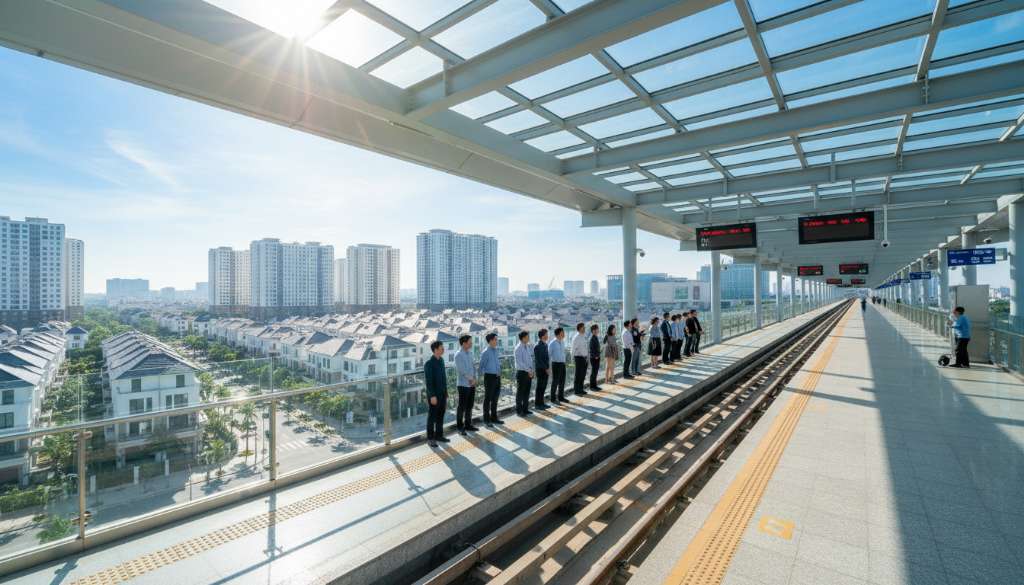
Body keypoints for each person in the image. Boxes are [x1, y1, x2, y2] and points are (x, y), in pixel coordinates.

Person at [424, 341, 449, 447]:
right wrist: (432, 395)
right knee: (432, 417)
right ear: (435, 350)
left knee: (440, 415)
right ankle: (430, 438)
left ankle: (439, 435)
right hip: (434, 395)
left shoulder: (442, 361)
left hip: (442, 393)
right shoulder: (429, 364)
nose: (443, 349)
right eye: (441, 348)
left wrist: (446, 392)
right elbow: (428, 382)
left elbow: (444, 378)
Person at [453, 335, 479, 435]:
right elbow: (462, 370)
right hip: (463, 384)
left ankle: (468, 425)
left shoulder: (470, 353)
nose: (471, 343)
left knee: (470, 405)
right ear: (464, 343)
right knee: (462, 407)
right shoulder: (458, 355)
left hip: (472, 383)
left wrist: (475, 378)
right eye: (470, 342)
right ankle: (460, 427)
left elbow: (474, 366)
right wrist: (471, 379)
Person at [479, 332, 503, 426]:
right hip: (489, 377)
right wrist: (481, 378)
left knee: (495, 398)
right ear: (490, 341)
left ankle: (494, 418)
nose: (497, 341)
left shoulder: (496, 350)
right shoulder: (485, 352)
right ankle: (486, 419)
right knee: (488, 399)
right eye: (495, 339)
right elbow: (481, 367)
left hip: (497, 377)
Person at [514, 331, 534, 415]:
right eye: (527, 337)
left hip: (528, 372)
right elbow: (520, 363)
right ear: (523, 338)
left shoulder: (527, 346)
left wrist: (531, 370)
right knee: (520, 392)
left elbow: (530, 359)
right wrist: (528, 370)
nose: (528, 338)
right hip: (522, 372)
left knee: (527, 391)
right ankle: (519, 410)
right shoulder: (518, 348)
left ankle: (525, 409)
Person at [549, 327, 569, 404]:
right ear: (558, 334)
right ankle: (553, 398)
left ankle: (561, 397)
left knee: (562, 381)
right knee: (555, 381)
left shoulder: (562, 342)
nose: (564, 334)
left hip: (562, 363)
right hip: (556, 364)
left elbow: (563, 353)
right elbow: (549, 355)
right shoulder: (552, 343)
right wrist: (549, 367)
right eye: (562, 332)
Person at [534, 329, 551, 410]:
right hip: (541, 369)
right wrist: (546, 368)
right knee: (540, 387)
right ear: (543, 336)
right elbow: (539, 360)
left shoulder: (545, 344)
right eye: (546, 334)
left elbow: (546, 358)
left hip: (545, 369)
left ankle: (542, 403)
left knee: (543, 387)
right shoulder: (538, 346)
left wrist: (548, 367)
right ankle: (538, 404)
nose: (547, 336)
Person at [571, 322, 589, 396]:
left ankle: (581, 389)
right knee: (578, 374)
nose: (584, 328)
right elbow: (573, 349)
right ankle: (576, 390)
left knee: (583, 374)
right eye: (583, 327)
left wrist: (587, 356)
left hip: (584, 357)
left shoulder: (583, 336)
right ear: (579, 328)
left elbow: (585, 347)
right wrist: (573, 359)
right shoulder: (576, 337)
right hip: (578, 357)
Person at [588, 324, 602, 390]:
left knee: (595, 372)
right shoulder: (592, 338)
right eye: (597, 329)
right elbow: (591, 349)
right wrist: (596, 356)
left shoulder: (595, 337)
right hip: (594, 358)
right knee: (593, 372)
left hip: (597, 357)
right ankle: (592, 386)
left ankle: (595, 385)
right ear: (593, 330)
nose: (598, 330)